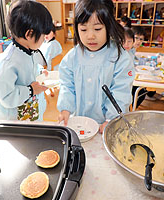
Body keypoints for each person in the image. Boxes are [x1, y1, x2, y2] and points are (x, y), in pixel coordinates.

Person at [57, 0, 134, 133]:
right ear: (76, 28)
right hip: (81, 123)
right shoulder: (72, 57)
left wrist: (111, 120)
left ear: (109, 26)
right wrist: (65, 109)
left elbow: (121, 92)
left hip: (107, 125)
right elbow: (67, 86)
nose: (90, 36)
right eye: (83, 29)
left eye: (97, 29)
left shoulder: (119, 58)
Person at [0, 0, 52, 120]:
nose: (44, 39)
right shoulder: (8, 62)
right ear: (29, 34)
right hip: (11, 121)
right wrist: (31, 90)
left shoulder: (28, 49)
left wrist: (39, 72)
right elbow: (5, 95)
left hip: (27, 113)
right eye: (43, 36)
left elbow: (28, 68)